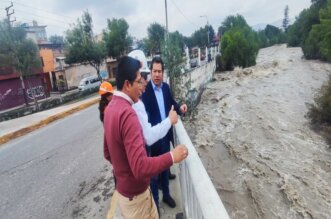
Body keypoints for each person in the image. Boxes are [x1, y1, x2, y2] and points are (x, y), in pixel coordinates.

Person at [103, 56, 188, 219]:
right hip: (137, 197)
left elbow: (108, 153)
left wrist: (124, 173)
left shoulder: (110, 109)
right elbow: (140, 167)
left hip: (126, 193)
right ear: (127, 84)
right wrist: (172, 156)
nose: (142, 87)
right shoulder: (128, 114)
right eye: (138, 81)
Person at [142, 57, 188, 209]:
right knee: (154, 176)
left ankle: (166, 195)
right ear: (150, 72)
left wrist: (180, 108)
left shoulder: (166, 88)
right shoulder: (145, 92)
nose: (156, 74)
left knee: (166, 167)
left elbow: (172, 103)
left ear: (163, 72)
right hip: (153, 139)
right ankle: (155, 204)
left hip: (165, 136)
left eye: (159, 71)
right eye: (154, 71)